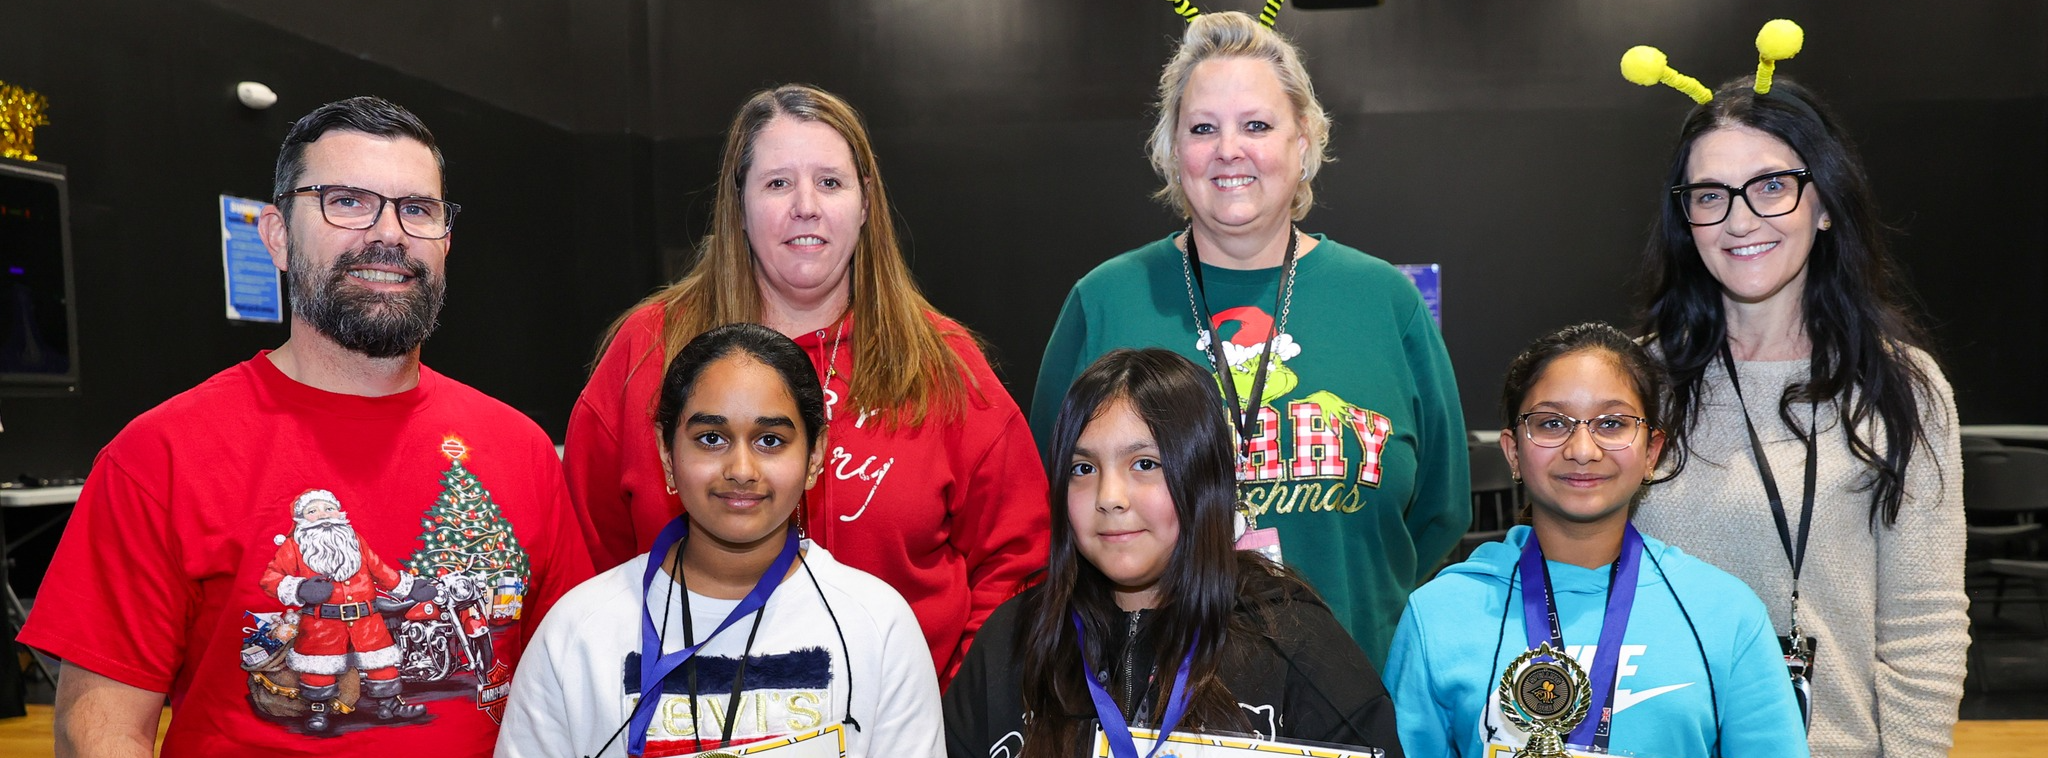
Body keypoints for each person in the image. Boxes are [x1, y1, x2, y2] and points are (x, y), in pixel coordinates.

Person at [19, 97, 593, 755]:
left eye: (417, 209)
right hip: (315, 642)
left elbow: (571, 693)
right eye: (347, 201)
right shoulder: (160, 456)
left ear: (445, 242)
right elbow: (99, 729)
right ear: (277, 237)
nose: (389, 234)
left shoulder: (519, 450)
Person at [1027, 10, 1468, 669]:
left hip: (1353, 688)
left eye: (1256, 125)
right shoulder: (1106, 301)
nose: (1229, 149)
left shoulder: (1385, 302)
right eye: (1203, 128)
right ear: (1173, 152)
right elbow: (1048, 502)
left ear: (1304, 144)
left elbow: (1440, 509)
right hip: (1151, 692)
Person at [567, 84, 1048, 686]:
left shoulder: (942, 364)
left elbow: (1019, 561)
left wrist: (955, 706)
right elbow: (583, 559)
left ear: (865, 202)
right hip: (684, 712)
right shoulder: (647, 352)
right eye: (777, 183)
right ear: (738, 202)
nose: (805, 206)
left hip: (895, 722)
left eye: (830, 182)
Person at [1629, 72, 1967, 755]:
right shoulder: (1634, 385)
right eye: (1710, 195)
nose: (1740, 220)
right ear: (1686, 220)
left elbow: (1923, 623)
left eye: (1771, 186)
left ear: (1825, 205)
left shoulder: (1901, 387)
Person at [500, 323, 941, 758]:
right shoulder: (581, 630)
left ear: (815, 456)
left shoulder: (877, 626)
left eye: (771, 440)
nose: (741, 470)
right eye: (711, 439)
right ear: (667, 453)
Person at [947, 348, 1401, 758]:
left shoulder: (1293, 642)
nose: (1109, 497)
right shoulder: (1012, 642)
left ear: (1204, 479)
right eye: (1083, 468)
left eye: (1145, 464)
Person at [1386, 323, 1806, 758]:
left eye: (1612, 423)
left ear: (1651, 451)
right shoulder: (1439, 614)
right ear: (1513, 452)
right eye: (1552, 423)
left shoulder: (1725, 615)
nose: (1583, 450)